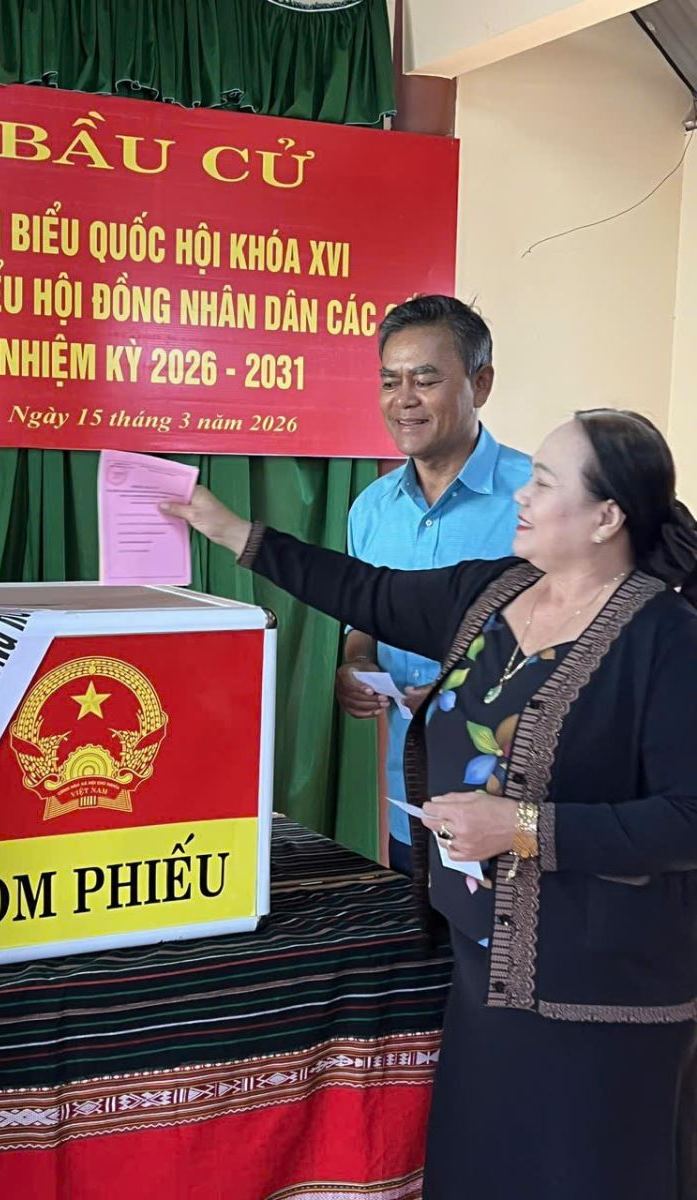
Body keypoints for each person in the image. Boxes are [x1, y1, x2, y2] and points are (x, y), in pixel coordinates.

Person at [163, 409, 697, 1199]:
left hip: (602, 995)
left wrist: (519, 828)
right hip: (486, 980)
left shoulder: (667, 638)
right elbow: (366, 590)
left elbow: (686, 819)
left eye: (544, 482)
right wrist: (229, 530)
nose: (521, 494)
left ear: (606, 517)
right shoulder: (495, 592)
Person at [340, 296, 529, 874]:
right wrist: (355, 664)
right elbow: (363, 621)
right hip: (412, 807)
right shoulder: (371, 509)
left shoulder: (538, 498)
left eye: (425, 380)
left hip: (513, 811)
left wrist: (463, 692)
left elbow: (581, 650)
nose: (404, 400)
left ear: (481, 383)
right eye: (389, 381)